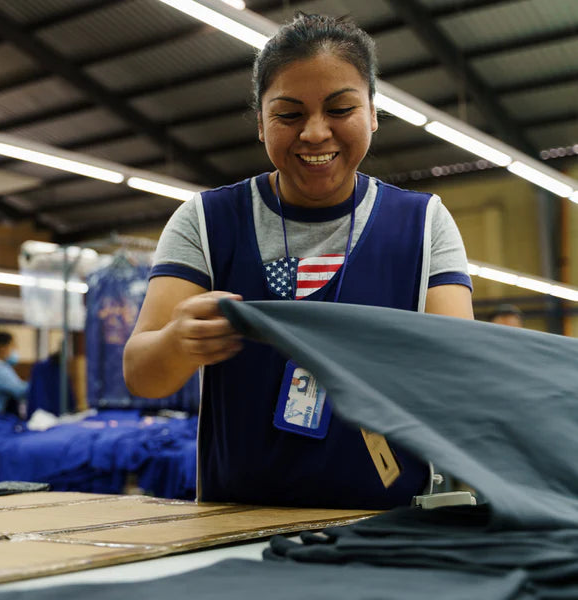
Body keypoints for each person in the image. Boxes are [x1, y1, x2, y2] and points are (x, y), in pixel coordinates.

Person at [123, 13, 474, 509]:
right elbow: (142, 374)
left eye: (340, 109)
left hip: (386, 529)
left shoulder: (423, 225)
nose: (314, 133)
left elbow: (461, 377)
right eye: (288, 114)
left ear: (373, 113)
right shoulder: (204, 221)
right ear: (261, 122)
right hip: (234, 526)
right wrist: (179, 341)